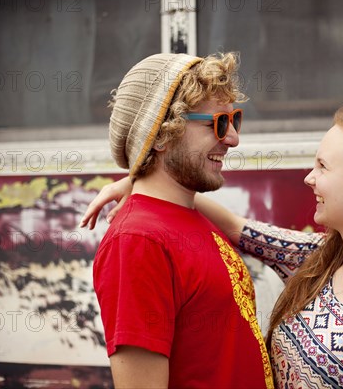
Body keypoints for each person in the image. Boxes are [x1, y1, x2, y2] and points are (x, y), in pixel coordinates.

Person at [82, 106, 343, 387]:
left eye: (322, 166)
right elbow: (236, 227)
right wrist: (140, 181)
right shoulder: (320, 260)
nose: (309, 177)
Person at [90, 52, 273, 388]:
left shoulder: (187, 214)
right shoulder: (137, 241)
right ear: (160, 135)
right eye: (217, 123)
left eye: (235, 120)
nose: (232, 138)